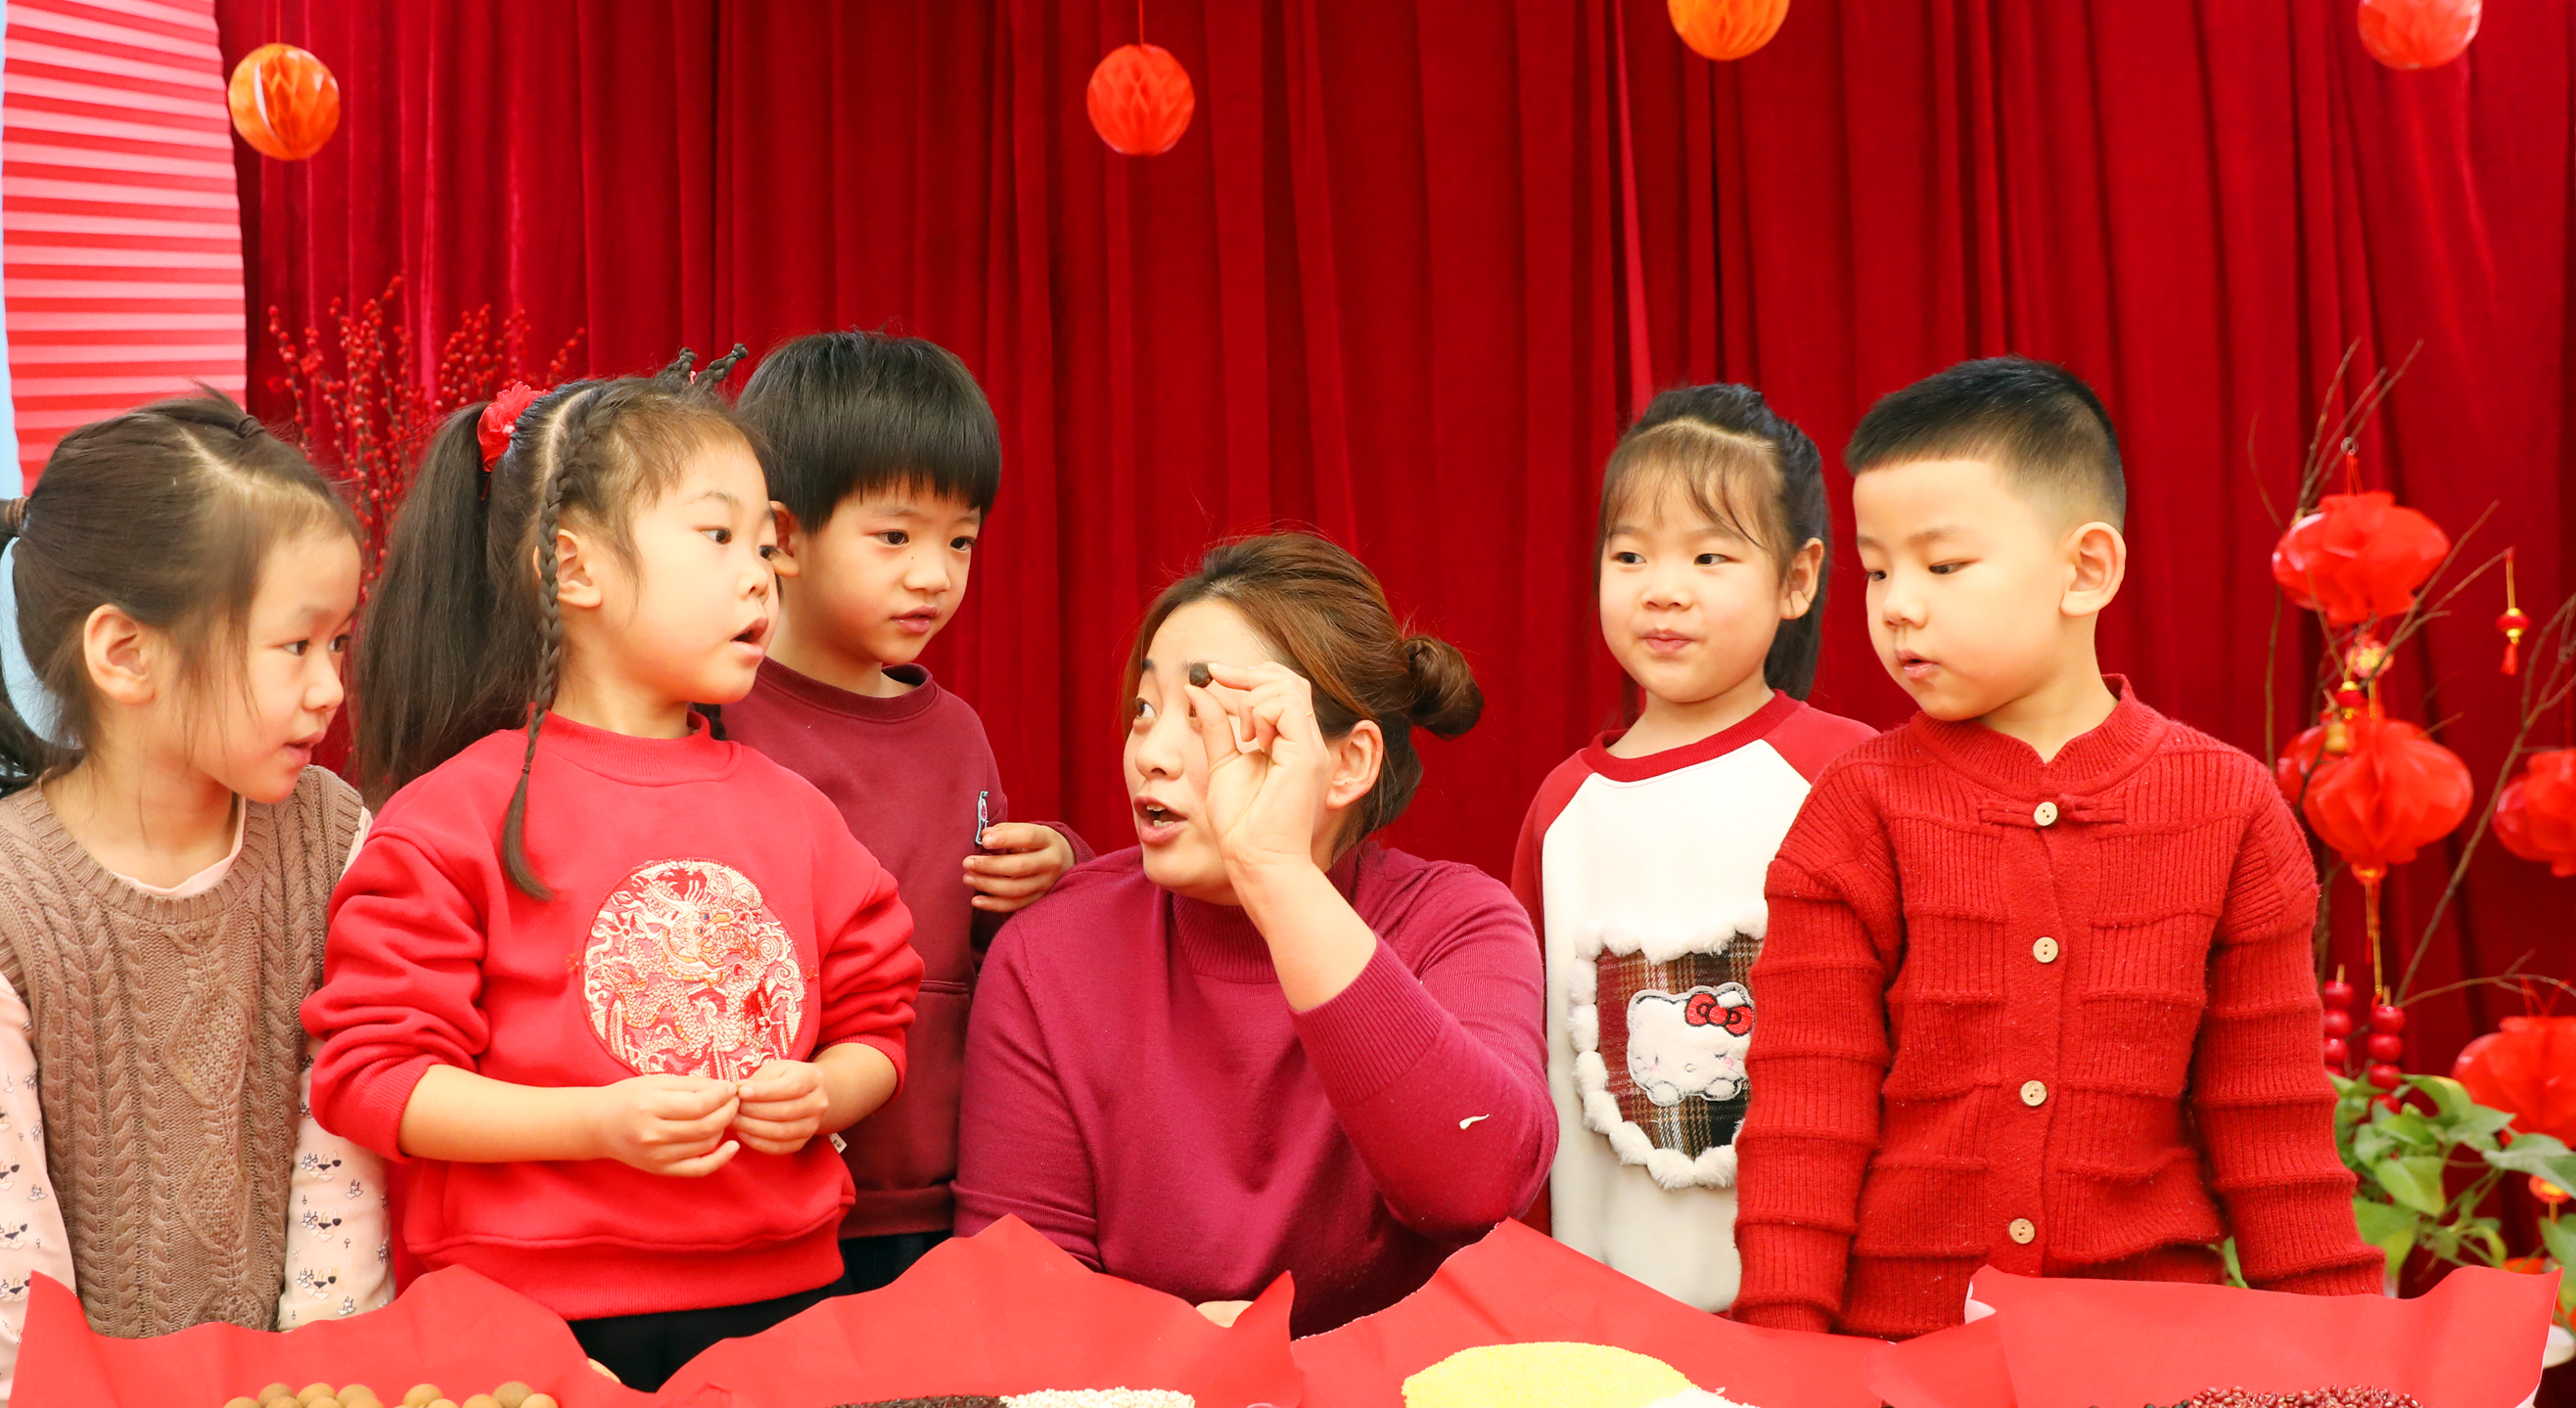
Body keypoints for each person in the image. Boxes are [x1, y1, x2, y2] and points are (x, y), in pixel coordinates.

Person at [1730, 357, 2382, 1339]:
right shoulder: (1856, 809)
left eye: (1943, 566)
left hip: (2150, 1363)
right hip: (1901, 1363)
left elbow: (2273, 1133)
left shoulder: (2230, 808)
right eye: (1877, 570)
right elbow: (1804, 1125)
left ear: (2086, 570)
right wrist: (1788, 1368)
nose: (1897, 604)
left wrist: (2357, 1374)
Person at [308, 355, 922, 1390]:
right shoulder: (452, 818)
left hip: (785, 1307)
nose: (760, 576)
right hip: (533, 1330)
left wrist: (825, 1092)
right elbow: (374, 1080)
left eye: (765, 547)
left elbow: (880, 1021)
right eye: (718, 536)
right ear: (576, 568)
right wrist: (594, 1125)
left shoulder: (800, 814)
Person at [0, 395, 387, 1408]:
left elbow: (341, 1166)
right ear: (125, 653)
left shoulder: (334, 840)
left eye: (338, 642)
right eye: (294, 645)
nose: (329, 687)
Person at [954, 530, 1555, 1335]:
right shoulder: (1048, 952)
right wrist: (1188, 1353)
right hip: (1145, 1407)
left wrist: (1276, 872)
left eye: (1208, 717)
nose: (1152, 754)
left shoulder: (1459, 923)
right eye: (1146, 709)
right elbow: (1013, 1299)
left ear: (1347, 764)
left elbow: (1476, 1186)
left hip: (1399, 1403)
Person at [717, 333, 1086, 1296]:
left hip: (936, 1192)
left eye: (960, 540)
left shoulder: (957, 731)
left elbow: (994, 937)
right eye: (896, 537)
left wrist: (1053, 863)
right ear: (784, 537)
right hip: (764, 1186)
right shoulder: (716, 713)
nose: (935, 575)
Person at [1511, 386, 1871, 1313]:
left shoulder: (1848, 777)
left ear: (1798, 579)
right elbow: (1534, 1063)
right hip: (1605, 1315)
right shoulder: (1564, 809)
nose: (1662, 588)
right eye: (1630, 553)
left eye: (1710, 556)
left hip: (1816, 1312)